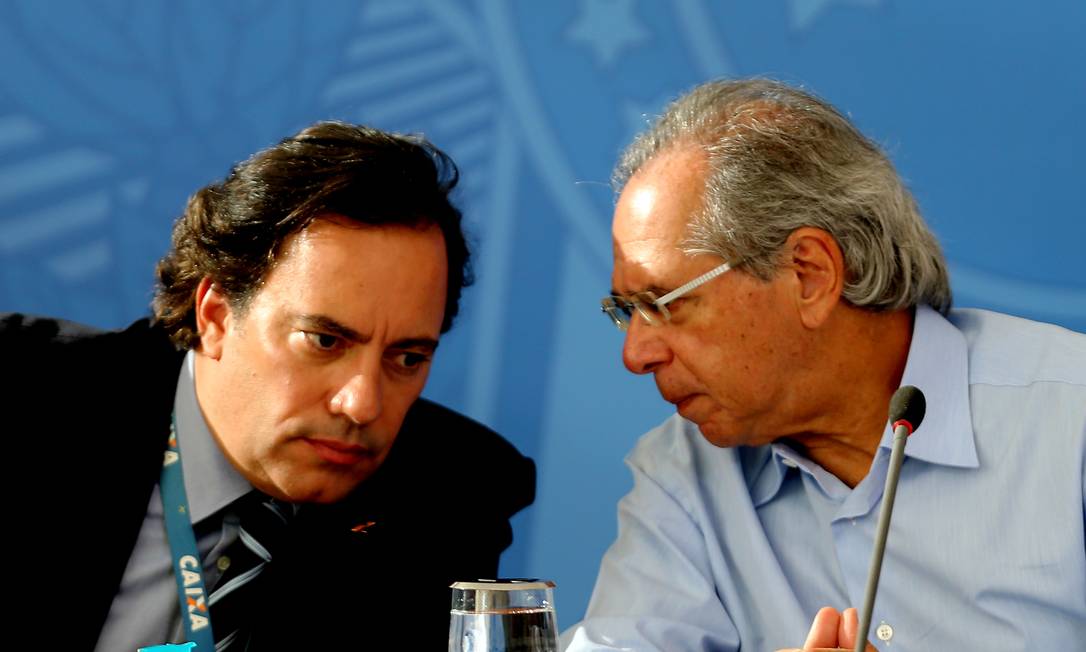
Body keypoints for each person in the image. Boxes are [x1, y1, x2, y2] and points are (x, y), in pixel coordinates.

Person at [564, 78, 1086, 651]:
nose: (635, 355)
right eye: (627, 311)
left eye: (663, 303)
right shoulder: (684, 472)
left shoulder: (1072, 420)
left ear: (809, 275)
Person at [4, 121, 535, 651]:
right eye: (324, 341)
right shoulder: (25, 390)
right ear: (215, 316)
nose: (362, 404)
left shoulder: (452, 495)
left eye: (407, 358)